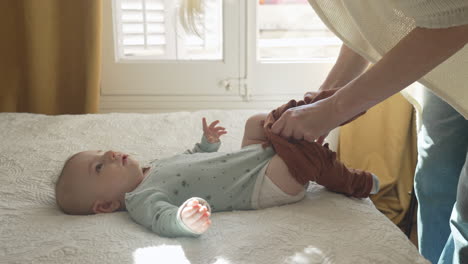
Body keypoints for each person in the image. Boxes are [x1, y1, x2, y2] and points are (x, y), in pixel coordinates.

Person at [268, 1, 468, 263]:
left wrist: (334, 108)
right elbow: (373, 19)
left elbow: (454, 20)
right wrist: (326, 95)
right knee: (434, 179)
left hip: (453, 31)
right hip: (453, 59)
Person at [55, 115, 379, 238]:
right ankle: (354, 181)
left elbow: (192, 160)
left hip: (247, 159)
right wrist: (185, 219)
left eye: (101, 152)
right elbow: (163, 220)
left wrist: (206, 144)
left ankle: (293, 133)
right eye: (99, 167)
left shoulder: (150, 167)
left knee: (256, 122)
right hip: (261, 184)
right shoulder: (140, 199)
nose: (109, 155)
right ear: (105, 206)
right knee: (298, 159)